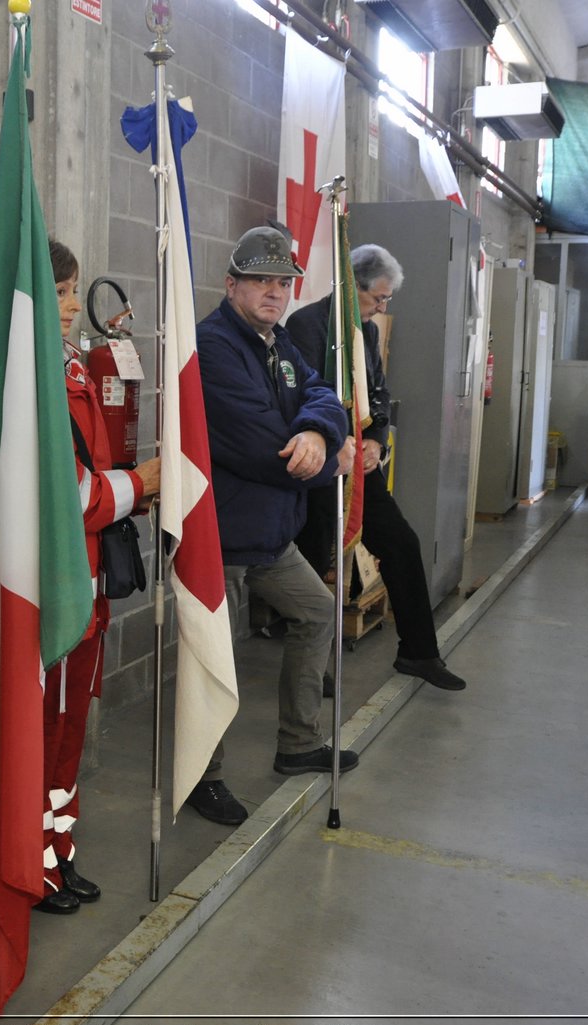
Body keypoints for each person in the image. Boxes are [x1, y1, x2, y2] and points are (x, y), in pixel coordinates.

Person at [186, 225, 359, 827]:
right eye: (260, 280)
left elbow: (323, 394)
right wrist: (323, 457)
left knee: (316, 611)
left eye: (283, 282)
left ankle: (298, 742)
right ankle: (202, 779)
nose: (274, 291)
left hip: (268, 533)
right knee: (214, 660)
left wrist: (318, 431)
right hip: (220, 538)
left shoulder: (278, 343)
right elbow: (261, 446)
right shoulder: (213, 346)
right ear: (231, 283)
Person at [34, 241, 161, 914]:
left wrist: (133, 484)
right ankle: (32, 861)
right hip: (50, 587)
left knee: (69, 730)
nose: (73, 305)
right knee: (40, 730)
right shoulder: (22, 378)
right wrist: (137, 486)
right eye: (58, 292)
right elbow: (64, 495)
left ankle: (60, 849)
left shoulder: (76, 369)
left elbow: (103, 461)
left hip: (88, 585)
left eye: (75, 289)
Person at [288, 243, 465, 692]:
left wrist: (374, 439)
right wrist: (336, 442)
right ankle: (315, 672)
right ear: (353, 288)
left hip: (359, 469)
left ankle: (419, 652)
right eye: (377, 298)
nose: (382, 307)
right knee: (313, 560)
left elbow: (379, 393)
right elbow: (301, 398)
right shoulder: (306, 325)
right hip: (320, 469)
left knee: (402, 542)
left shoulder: (367, 331)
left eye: (387, 300)